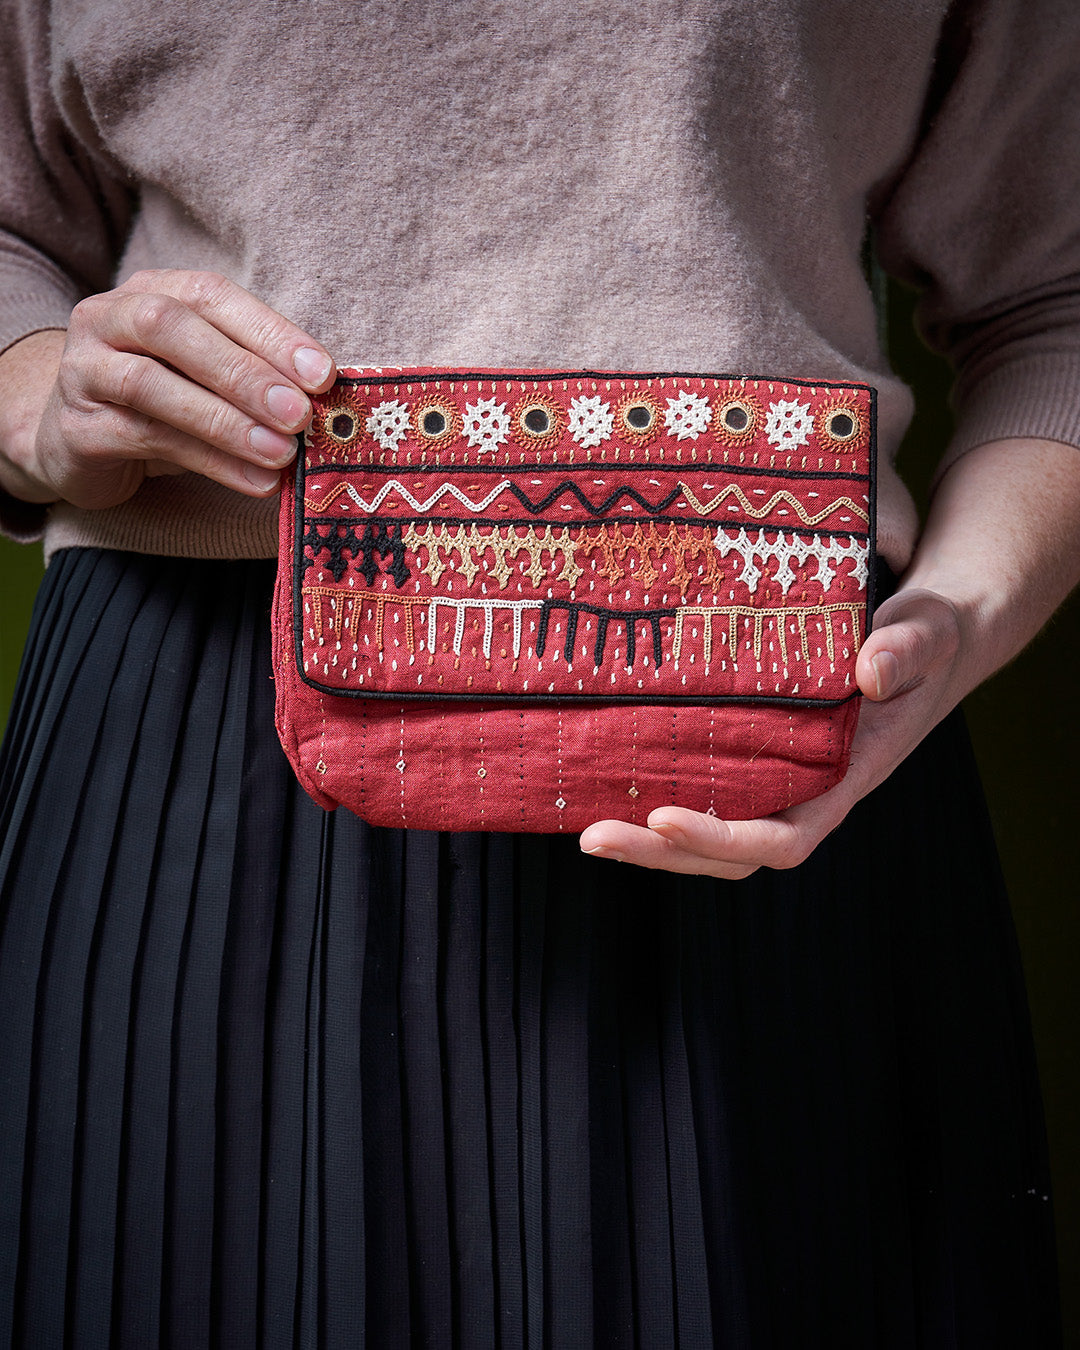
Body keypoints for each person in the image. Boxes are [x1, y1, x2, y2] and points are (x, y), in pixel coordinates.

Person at [1, 0, 1077, 1344]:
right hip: (194, 754)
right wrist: (39, 401)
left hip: (788, 754)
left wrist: (960, 615)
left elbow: (1056, 299)